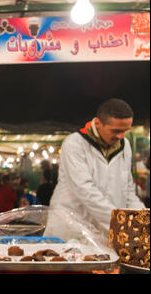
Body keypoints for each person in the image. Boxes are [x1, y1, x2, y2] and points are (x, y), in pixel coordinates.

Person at [49, 98, 145, 235]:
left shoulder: (126, 146)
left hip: (110, 230)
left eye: (125, 131)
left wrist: (143, 218)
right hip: (73, 227)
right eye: (116, 130)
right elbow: (85, 190)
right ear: (98, 123)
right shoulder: (74, 144)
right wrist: (119, 222)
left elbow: (128, 190)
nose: (121, 136)